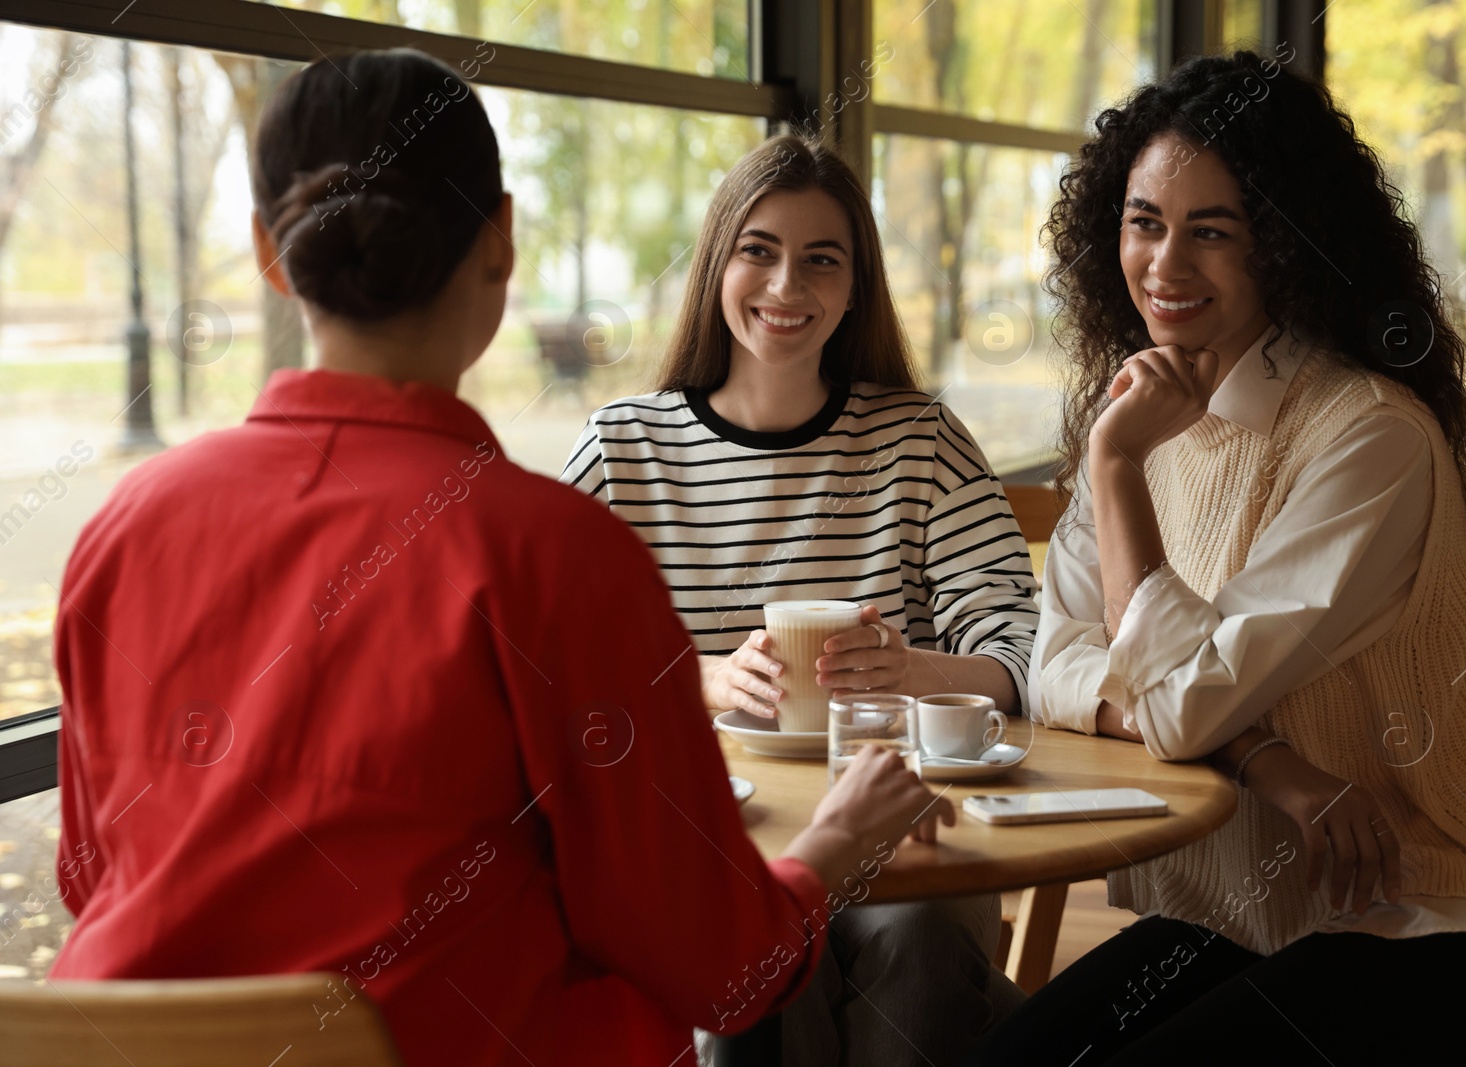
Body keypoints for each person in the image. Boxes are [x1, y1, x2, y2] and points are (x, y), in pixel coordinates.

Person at [48, 49, 954, 1067]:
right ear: (501, 241)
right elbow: (723, 968)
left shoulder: (122, 526)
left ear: (268, 250)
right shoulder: (552, 553)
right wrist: (832, 844)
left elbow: (94, 875)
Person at [971, 50, 1466, 1066]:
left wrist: (1118, 469)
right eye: (1144, 222)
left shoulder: (1368, 436)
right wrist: (1269, 758)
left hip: (1465, 907)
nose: (1165, 266)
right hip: (1261, 902)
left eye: (1211, 231)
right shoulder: (1131, 411)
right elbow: (1054, 665)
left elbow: (1173, 706)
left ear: (1286, 245)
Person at [561, 135, 1036, 1066]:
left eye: (822, 259)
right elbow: (554, 670)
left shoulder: (920, 438)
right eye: (759, 249)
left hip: (910, 834)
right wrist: (697, 679)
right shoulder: (625, 449)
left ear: (857, 287)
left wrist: (913, 670)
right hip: (710, 839)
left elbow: (1025, 653)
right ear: (717, 266)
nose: (787, 285)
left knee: (917, 945)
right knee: (775, 957)